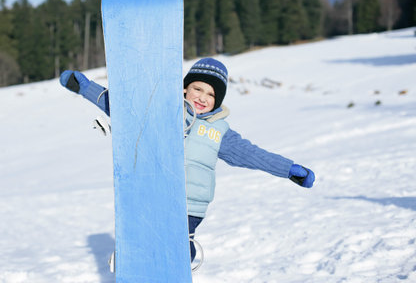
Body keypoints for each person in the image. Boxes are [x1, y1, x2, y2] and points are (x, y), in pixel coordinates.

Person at [60, 57, 315, 263]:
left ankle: (178, 263)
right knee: (149, 239)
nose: (203, 98)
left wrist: (288, 169)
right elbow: (123, 108)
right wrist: (83, 87)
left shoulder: (220, 131)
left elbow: (254, 155)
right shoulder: (166, 111)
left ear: (218, 100)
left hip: (190, 207)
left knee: (179, 250)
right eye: (197, 89)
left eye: (211, 94)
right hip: (157, 192)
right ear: (185, 88)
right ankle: (138, 262)